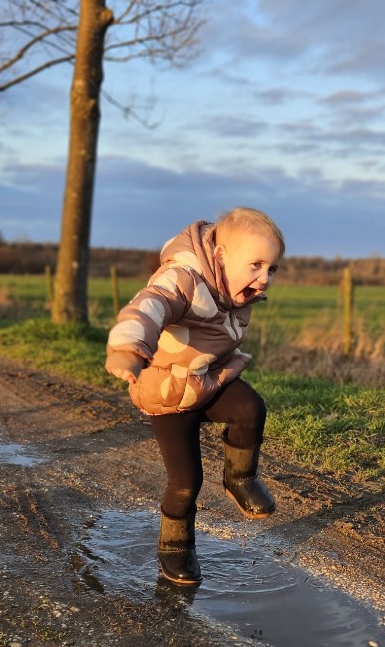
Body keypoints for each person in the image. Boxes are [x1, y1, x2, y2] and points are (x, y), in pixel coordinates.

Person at [105, 207, 284, 586]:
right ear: (221, 256)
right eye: (255, 265)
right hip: (166, 395)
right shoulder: (183, 278)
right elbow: (150, 304)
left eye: (272, 268)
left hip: (205, 381)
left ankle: (240, 478)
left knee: (250, 408)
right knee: (186, 481)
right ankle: (174, 547)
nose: (265, 278)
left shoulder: (234, 292)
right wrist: (127, 347)